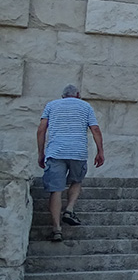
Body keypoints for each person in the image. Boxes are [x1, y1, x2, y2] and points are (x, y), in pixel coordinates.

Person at [36, 84, 105, 241]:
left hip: (56, 152)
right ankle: (69, 209)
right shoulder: (85, 106)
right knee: (76, 181)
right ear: (78, 95)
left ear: (63, 96)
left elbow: (41, 129)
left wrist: (41, 153)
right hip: (77, 152)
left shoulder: (51, 105)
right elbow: (95, 129)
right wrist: (100, 151)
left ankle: (57, 230)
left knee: (56, 190)